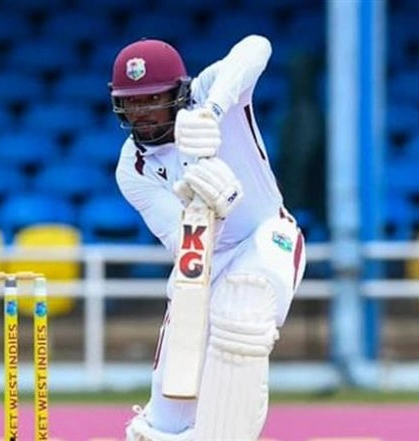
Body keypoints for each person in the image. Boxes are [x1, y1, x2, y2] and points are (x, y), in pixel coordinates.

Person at [108, 35, 307, 440]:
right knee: (164, 423)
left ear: (179, 92)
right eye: (132, 102)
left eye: (152, 99)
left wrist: (213, 112)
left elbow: (258, 47)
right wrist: (214, 206)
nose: (142, 112)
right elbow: (187, 249)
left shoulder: (211, 92)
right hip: (203, 266)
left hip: (267, 237)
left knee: (243, 309)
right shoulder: (133, 168)